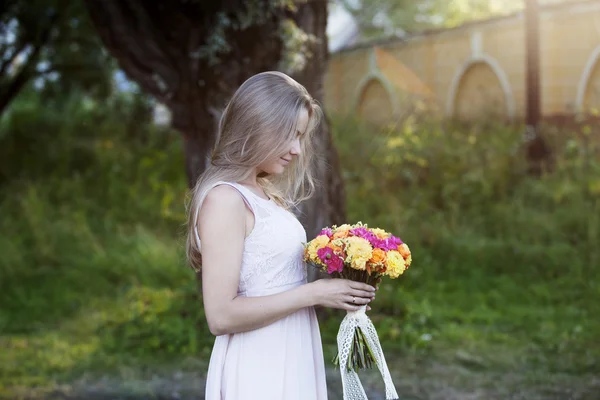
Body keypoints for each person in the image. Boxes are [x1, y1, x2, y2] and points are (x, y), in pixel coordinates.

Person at [186, 71, 376, 400]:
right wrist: (315, 293)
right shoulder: (225, 199)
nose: (297, 149)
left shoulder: (262, 193)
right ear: (257, 125)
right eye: (290, 134)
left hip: (294, 346)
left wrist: (344, 284)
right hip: (260, 360)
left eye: (301, 137)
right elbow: (220, 315)